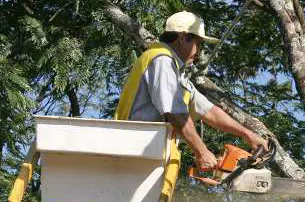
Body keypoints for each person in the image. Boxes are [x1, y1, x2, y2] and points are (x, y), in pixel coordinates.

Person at [115, 11, 268, 170]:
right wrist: (201, 151)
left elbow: (209, 111)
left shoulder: (176, 73)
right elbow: (175, 112)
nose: (199, 51)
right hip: (132, 150)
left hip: (145, 154)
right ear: (182, 38)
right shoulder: (162, 60)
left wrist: (249, 135)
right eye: (198, 44)